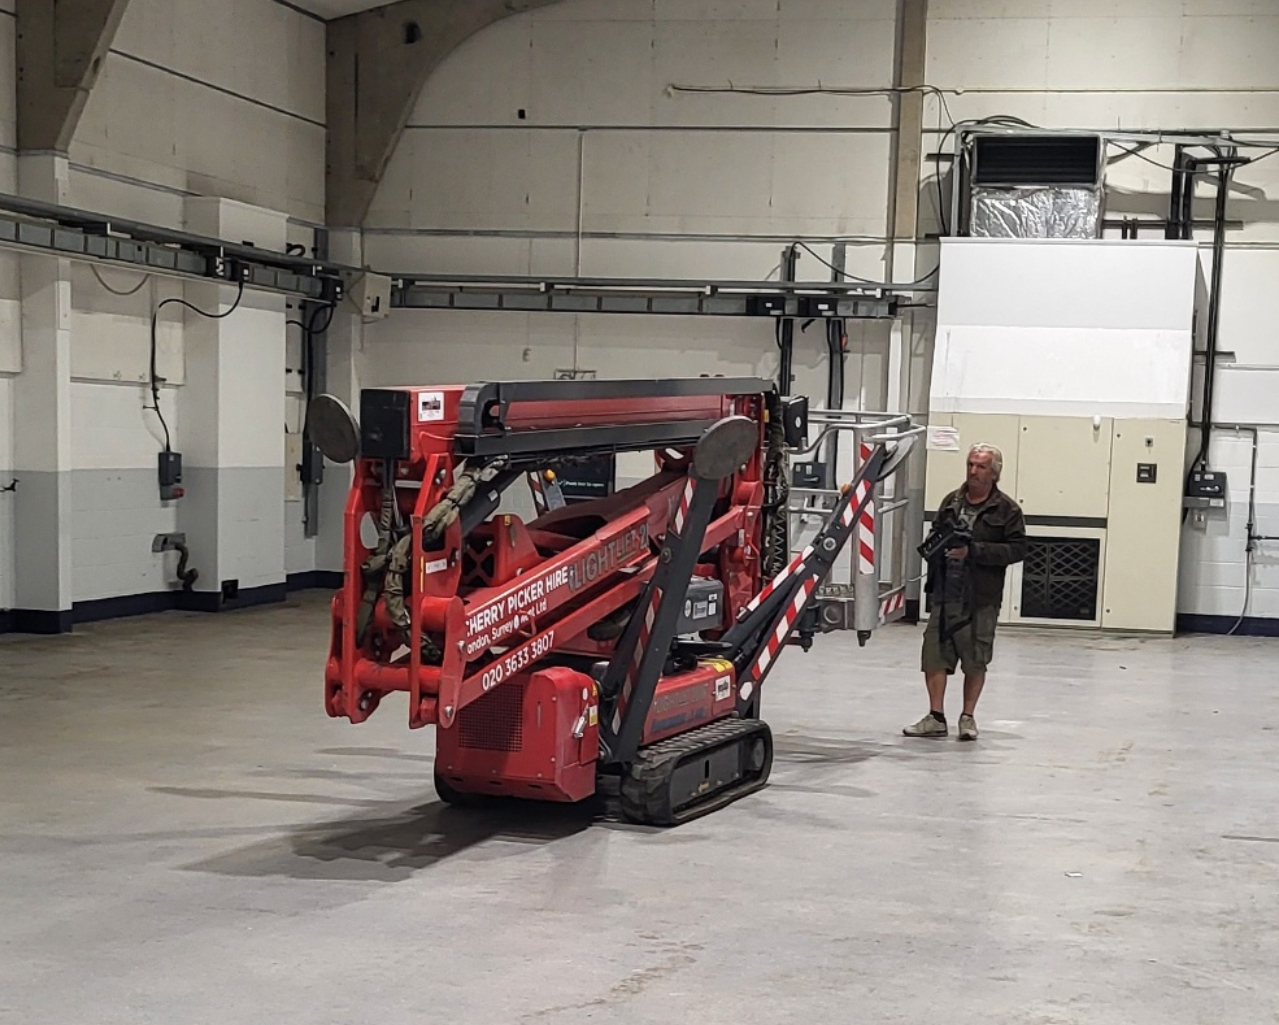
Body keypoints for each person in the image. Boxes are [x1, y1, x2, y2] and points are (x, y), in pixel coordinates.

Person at [904, 443, 1026, 742]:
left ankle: (968, 717)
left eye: (981, 466)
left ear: (994, 473)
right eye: (971, 464)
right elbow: (935, 532)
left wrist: (973, 551)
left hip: (980, 597)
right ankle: (936, 717)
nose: (973, 471)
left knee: (975, 658)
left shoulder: (1007, 510)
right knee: (934, 654)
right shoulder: (951, 502)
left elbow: (1018, 549)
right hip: (945, 591)